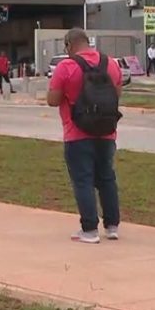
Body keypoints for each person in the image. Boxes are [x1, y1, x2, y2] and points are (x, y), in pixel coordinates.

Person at [47, 28, 122, 244]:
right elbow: (117, 95)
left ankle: (90, 230)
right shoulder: (111, 64)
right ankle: (112, 225)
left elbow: (53, 100)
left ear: (69, 45)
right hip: (107, 132)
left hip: (77, 133)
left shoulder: (66, 67)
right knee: (107, 178)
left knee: (83, 181)